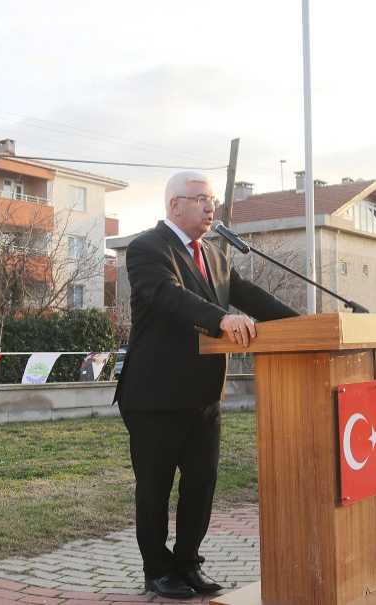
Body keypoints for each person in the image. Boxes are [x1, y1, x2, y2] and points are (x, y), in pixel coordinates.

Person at [113, 171, 298, 599]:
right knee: (155, 488)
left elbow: (250, 296)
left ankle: (188, 563)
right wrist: (220, 318)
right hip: (155, 395)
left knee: (201, 482)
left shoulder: (215, 254)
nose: (209, 206)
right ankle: (157, 571)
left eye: (211, 199)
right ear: (174, 205)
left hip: (202, 395)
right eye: (200, 199)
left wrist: (306, 325)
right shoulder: (147, 248)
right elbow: (168, 295)